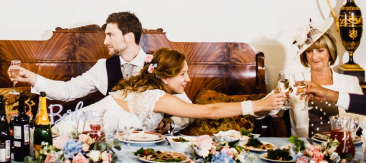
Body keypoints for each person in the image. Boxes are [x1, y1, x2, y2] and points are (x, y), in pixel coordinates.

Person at [16, 12, 191, 131]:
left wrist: (171, 123)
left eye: (110, 35)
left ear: (129, 37)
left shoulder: (159, 64)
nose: (105, 41)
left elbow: (188, 109)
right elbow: (68, 91)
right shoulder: (103, 67)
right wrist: (32, 78)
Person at [80, 48, 288, 131]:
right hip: (77, 133)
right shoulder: (156, 96)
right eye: (182, 74)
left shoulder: (148, 88)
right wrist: (258, 105)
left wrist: (167, 123)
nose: (188, 79)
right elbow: (210, 111)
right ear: (164, 76)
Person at [268, 18, 366, 138]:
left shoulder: (350, 83)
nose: (314, 57)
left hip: (342, 148)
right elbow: (268, 110)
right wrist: (276, 98)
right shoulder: (294, 80)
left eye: (320, 50)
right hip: (305, 149)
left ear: (330, 52)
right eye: (309, 51)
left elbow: (363, 121)